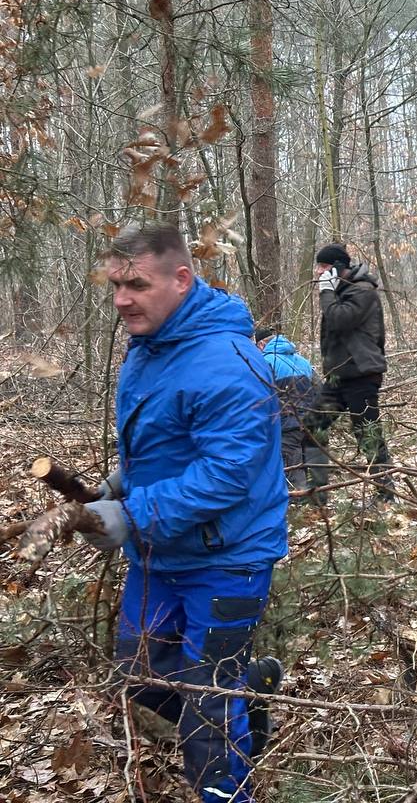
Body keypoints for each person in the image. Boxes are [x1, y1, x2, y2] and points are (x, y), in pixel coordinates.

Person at [80, 224, 288, 803]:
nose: (122, 299)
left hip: (228, 556)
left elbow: (226, 471)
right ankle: (249, 696)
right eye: (117, 285)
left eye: (137, 285)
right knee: (139, 674)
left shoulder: (225, 361)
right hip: (162, 552)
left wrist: (134, 512)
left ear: (180, 280)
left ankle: (229, 781)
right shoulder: (150, 347)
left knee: (207, 707)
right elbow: (174, 435)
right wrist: (128, 477)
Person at [310, 243, 394, 500]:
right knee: (313, 428)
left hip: (360, 375)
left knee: (368, 434)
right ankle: (316, 494)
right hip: (338, 377)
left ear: (337, 268)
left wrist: (327, 291)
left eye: (322, 267)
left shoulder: (363, 291)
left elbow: (339, 319)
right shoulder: (340, 291)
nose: (317, 273)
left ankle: (386, 493)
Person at [255, 326, 331, 502]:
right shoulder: (302, 361)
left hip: (288, 425)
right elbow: (320, 390)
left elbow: (260, 398)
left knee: (294, 471)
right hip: (314, 421)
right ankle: (321, 507)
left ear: (260, 345)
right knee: (317, 467)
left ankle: (301, 513)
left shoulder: (264, 363)